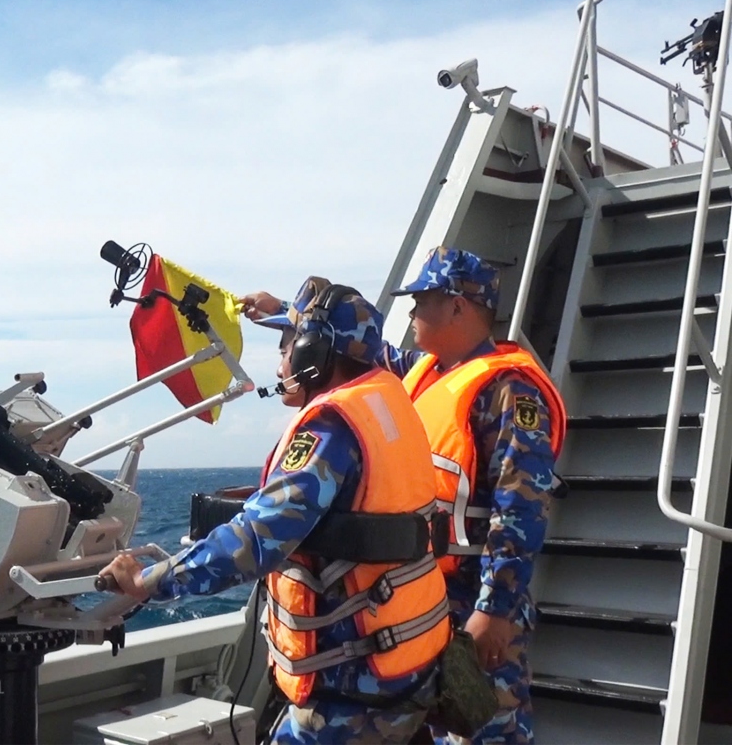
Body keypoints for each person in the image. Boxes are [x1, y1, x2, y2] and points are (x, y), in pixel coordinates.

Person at [101, 278, 452, 744]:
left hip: (352, 686)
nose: (281, 359)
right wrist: (280, 311)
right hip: (406, 663)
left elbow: (258, 538)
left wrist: (149, 580)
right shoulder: (386, 397)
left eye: (287, 345)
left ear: (312, 355)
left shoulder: (330, 426)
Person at [240, 248, 566, 745]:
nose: (412, 312)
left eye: (422, 301)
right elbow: (362, 347)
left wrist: (495, 608)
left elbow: (520, 508)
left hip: (472, 596)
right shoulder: (425, 370)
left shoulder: (509, 390)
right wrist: (284, 309)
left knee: (483, 730)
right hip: (421, 597)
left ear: (458, 307)